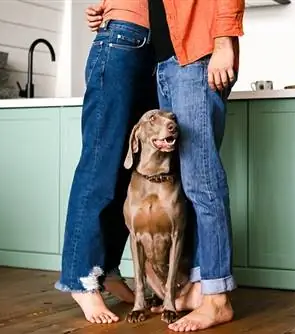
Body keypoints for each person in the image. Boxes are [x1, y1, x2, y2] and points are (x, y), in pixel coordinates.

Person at [54, 0, 158, 324]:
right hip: (120, 41)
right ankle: (81, 278)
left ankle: (106, 268)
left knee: (127, 171)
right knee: (100, 165)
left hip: (154, 48)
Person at [148, 0, 244, 331]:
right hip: (170, 63)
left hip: (196, 57)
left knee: (202, 183)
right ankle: (204, 286)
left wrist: (223, 43)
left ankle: (217, 299)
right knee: (189, 185)